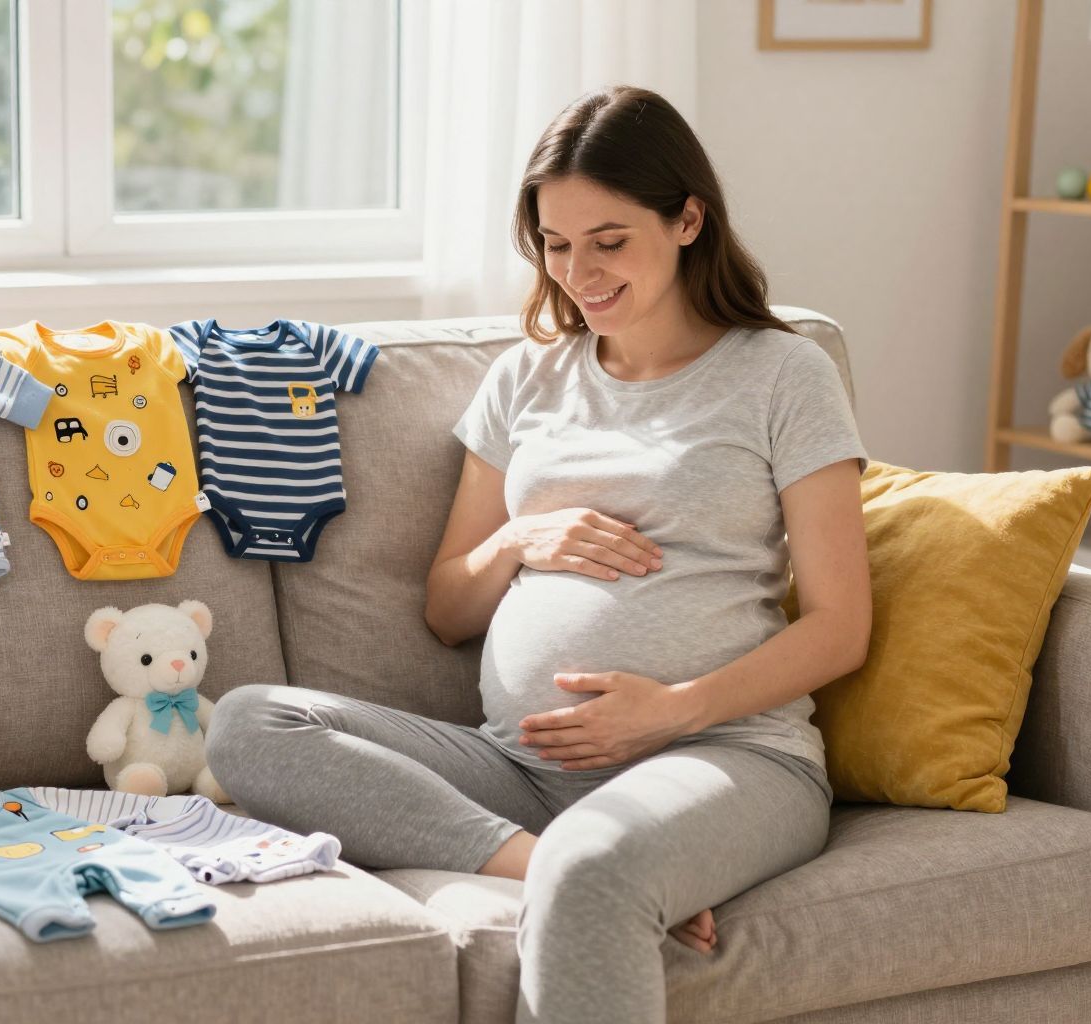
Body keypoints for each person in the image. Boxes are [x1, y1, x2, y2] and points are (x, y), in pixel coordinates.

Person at [205, 84, 871, 1023]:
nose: (579, 274)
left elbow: (843, 627)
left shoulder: (782, 374)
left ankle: (589, 868)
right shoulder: (528, 375)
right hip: (519, 770)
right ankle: (546, 862)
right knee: (247, 722)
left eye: (609, 241)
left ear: (688, 220)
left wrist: (671, 712)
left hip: (726, 755)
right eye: (556, 245)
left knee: (598, 865)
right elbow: (447, 610)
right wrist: (519, 538)